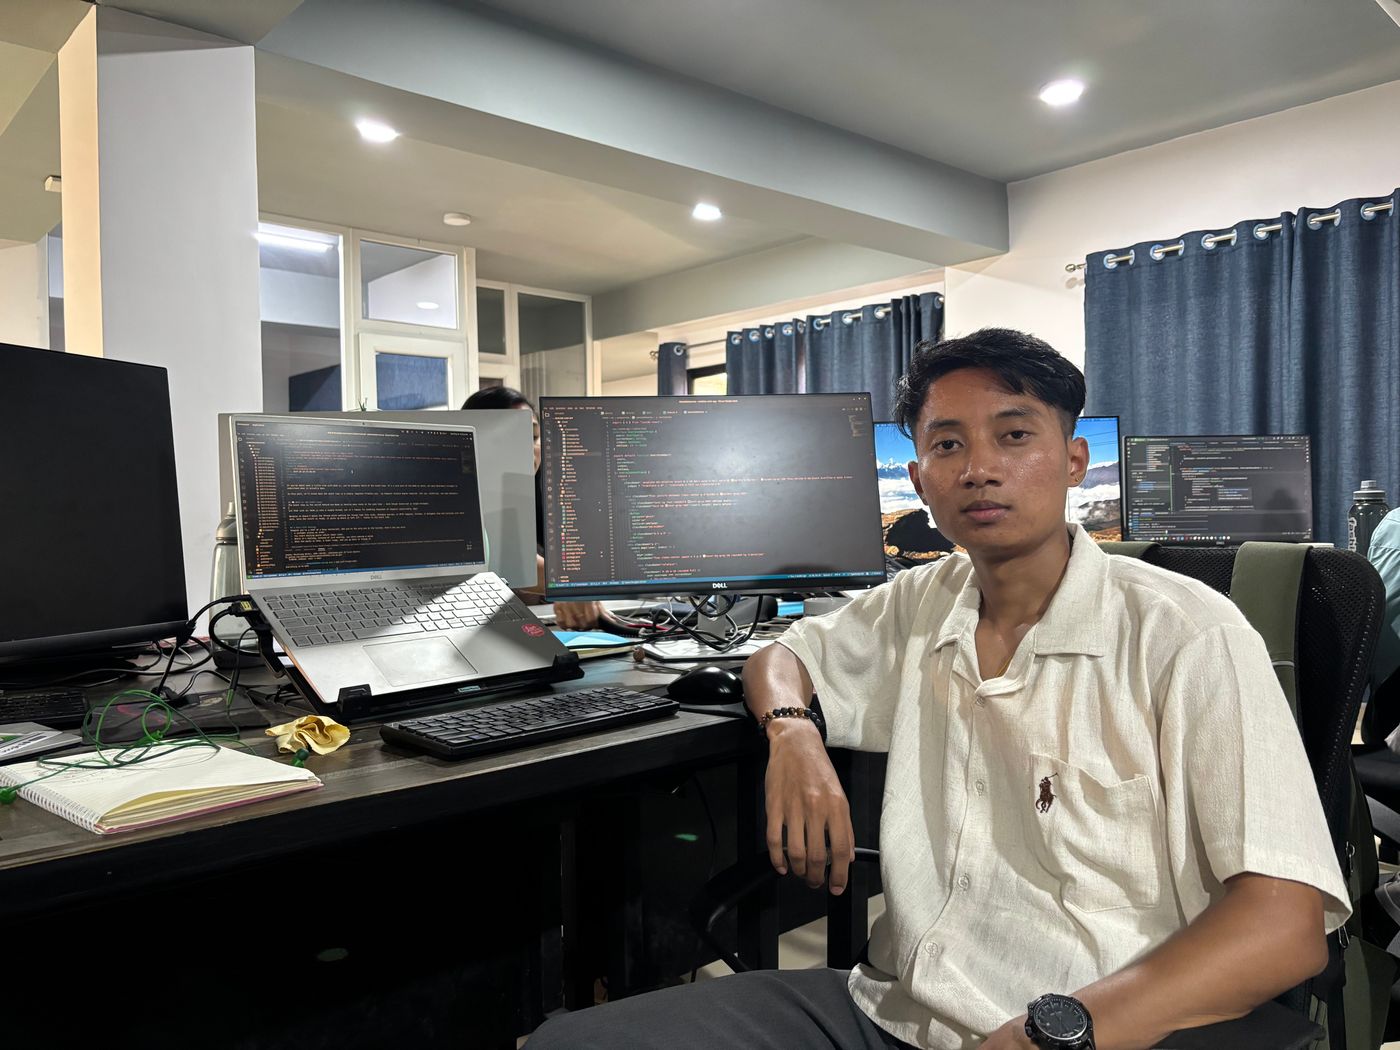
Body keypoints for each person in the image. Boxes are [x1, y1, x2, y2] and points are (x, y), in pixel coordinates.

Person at [526, 329, 1348, 1050]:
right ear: (920, 479)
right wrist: (792, 734)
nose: (980, 468)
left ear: (1071, 461)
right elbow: (782, 656)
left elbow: (1283, 930)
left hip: (1096, 1028)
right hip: (893, 1009)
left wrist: (1053, 1033)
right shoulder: (924, 601)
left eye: (1014, 435)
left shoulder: (1187, 635)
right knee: (567, 1041)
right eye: (948, 445)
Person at [462, 386, 618, 632]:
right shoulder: (460, 504)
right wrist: (571, 586)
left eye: (533, 436)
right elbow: (508, 560)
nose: (526, 447)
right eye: (508, 437)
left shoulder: (543, 498)